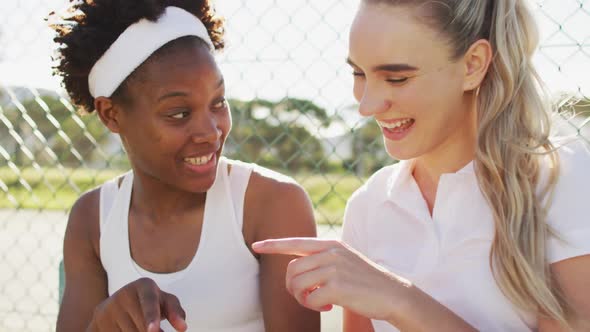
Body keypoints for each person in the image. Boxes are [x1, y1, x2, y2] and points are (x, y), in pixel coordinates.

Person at [253, 0, 590, 331]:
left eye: (396, 78)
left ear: (472, 65)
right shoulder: (368, 207)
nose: (367, 105)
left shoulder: (559, 178)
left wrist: (401, 302)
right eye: (359, 73)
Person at [51, 1, 320, 331]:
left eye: (218, 103)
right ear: (111, 114)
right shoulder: (92, 220)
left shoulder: (271, 205)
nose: (211, 132)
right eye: (178, 113)